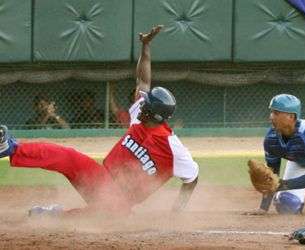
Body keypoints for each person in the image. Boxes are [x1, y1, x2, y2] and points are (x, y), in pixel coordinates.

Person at [0, 25, 199, 217]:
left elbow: (192, 178)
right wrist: (145, 46)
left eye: (145, 105)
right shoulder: (141, 117)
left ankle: (54, 215)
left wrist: (177, 211)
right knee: (67, 156)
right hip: (99, 178)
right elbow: (143, 81)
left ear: (155, 115)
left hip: (120, 203)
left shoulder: (173, 148)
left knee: (102, 218)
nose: (139, 102)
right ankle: (9, 147)